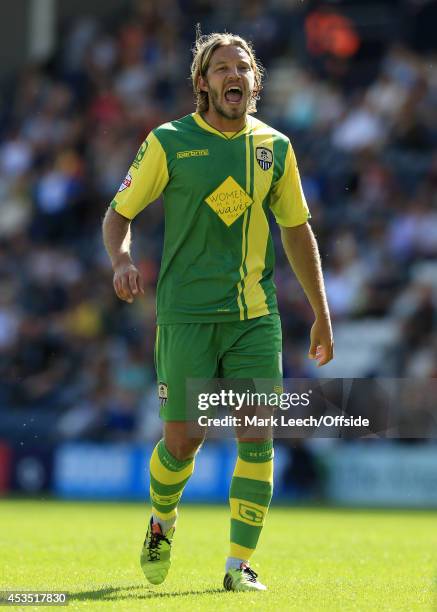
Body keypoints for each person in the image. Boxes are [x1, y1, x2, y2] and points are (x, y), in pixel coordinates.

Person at [102, 31, 333, 593]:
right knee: (183, 440)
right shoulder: (169, 141)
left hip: (255, 316)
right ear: (202, 82)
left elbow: (297, 231)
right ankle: (162, 521)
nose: (235, 76)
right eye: (222, 67)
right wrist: (122, 259)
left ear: (255, 82)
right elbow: (119, 212)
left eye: (244, 68)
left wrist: (321, 313)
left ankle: (238, 566)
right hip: (185, 317)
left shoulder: (274, 148)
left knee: (257, 434)